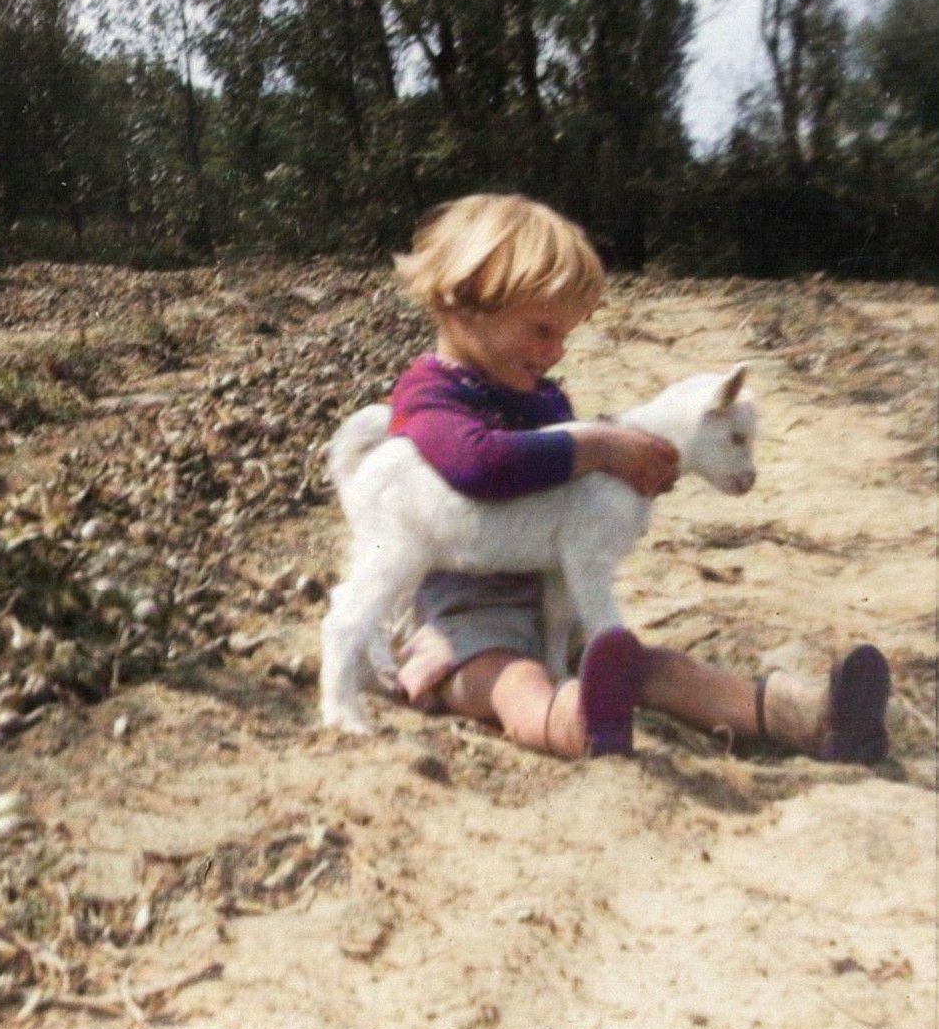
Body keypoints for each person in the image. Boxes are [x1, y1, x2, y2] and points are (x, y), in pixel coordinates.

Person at [379, 193, 890, 761]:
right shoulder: (430, 393)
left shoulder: (544, 397)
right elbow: (480, 464)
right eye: (542, 331)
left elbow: (568, 496)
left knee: (649, 667)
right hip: (464, 616)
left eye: (566, 335)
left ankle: (805, 713)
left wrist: (618, 473)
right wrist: (594, 444)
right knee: (513, 678)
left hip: (551, 601)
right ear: (463, 305)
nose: (556, 351)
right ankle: (572, 721)